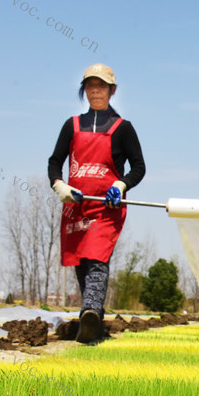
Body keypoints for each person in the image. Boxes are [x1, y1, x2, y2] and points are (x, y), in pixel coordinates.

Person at [48, 64, 145, 343]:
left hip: (106, 209)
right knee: (82, 262)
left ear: (112, 90)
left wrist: (121, 184)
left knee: (97, 259)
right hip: (76, 207)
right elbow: (55, 161)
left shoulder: (123, 128)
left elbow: (139, 166)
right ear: (84, 90)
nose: (95, 90)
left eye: (101, 85)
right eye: (90, 85)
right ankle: (94, 321)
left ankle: (89, 311)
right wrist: (59, 185)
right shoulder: (72, 125)